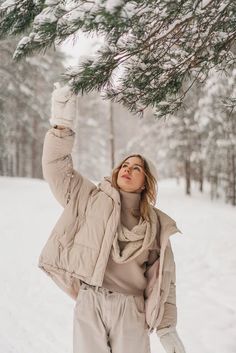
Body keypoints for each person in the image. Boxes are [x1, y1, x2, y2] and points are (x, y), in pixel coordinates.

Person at [39, 83, 186, 353]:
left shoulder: (155, 226)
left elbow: (165, 279)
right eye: (125, 165)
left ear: (145, 183)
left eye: (136, 168)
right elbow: (56, 167)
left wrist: (167, 328)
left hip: (131, 309)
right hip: (90, 301)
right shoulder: (90, 198)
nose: (127, 170)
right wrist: (61, 123)